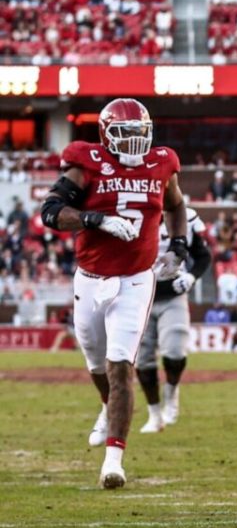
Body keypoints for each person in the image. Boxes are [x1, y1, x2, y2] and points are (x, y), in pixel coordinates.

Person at [41, 98, 187, 489]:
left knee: (120, 365)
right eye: (126, 133)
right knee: (95, 363)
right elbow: (51, 211)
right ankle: (107, 407)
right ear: (106, 135)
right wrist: (96, 219)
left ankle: (114, 460)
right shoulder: (86, 162)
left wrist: (179, 244)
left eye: (140, 133)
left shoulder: (162, 164)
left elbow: (176, 205)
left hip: (136, 278)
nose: (135, 141)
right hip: (90, 278)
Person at [135, 207, 210, 434]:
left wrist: (191, 276)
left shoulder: (184, 215)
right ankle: (154, 413)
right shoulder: (131, 212)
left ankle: (172, 390)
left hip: (173, 295)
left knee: (175, 353)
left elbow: (203, 255)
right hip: (139, 297)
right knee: (143, 361)